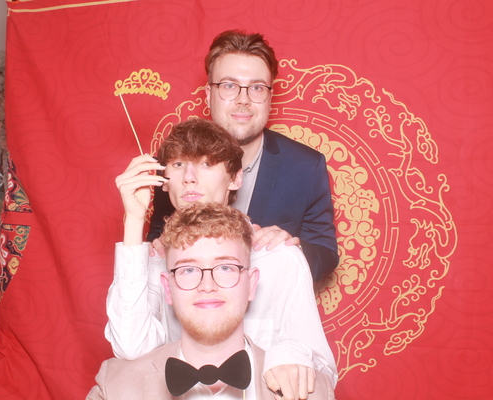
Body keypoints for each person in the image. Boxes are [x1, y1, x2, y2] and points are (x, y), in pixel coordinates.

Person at [105, 119, 337, 399]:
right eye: (178, 164)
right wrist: (134, 220)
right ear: (164, 181)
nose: (189, 177)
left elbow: (322, 371)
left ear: (236, 178)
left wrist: (288, 352)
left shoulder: (279, 256)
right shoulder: (155, 261)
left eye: (206, 163)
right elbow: (130, 347)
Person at [89, 203, 335, 399]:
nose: (207, 286)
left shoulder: (311, 391)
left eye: (225, 267)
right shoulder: (114, 388)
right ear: (167, 288)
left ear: (251, 284)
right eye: (188, 270)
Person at [148, 30, 338, 282]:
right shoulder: (174, 163)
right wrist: (158, 247)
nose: (243, 100)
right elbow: (158, 232)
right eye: (229, 86)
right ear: (208, 94)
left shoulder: (306, 166)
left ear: (270, 97)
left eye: (256, 88)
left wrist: (294, 250)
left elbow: (326, 253)